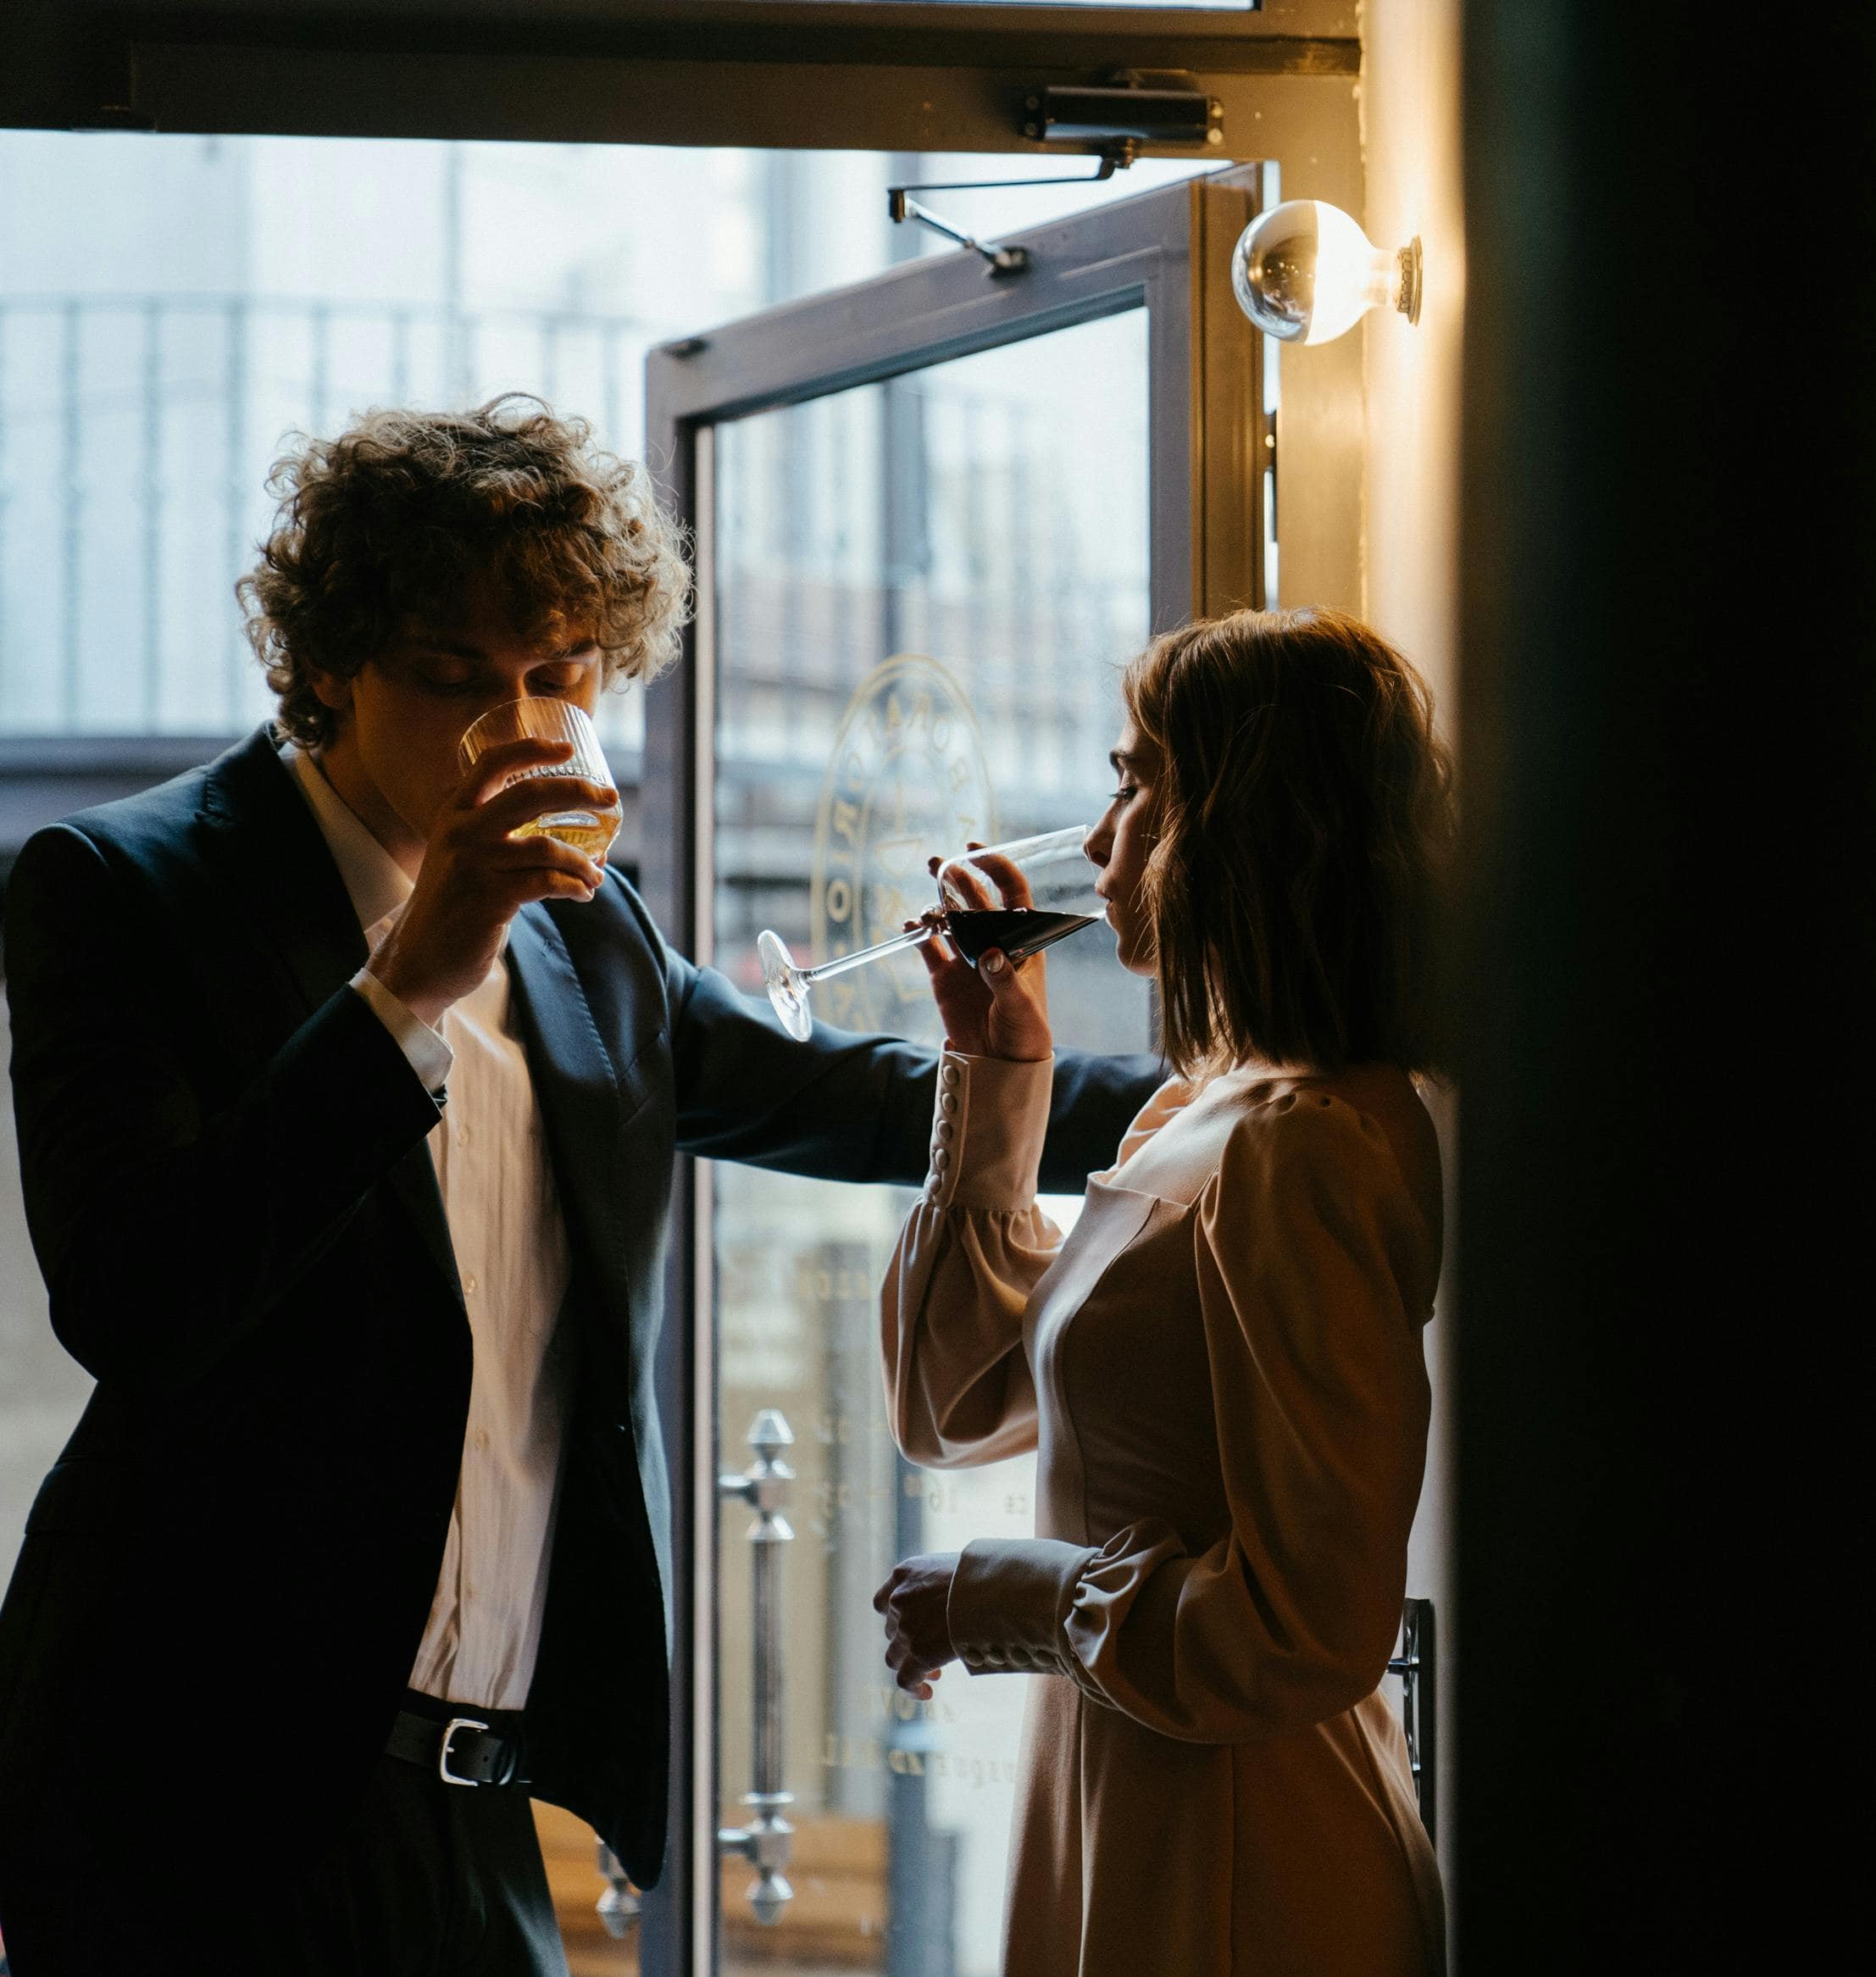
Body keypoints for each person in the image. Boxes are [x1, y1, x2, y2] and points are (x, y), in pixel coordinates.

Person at [0, 396, 1166, 1976]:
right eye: (458, 679)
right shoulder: (120, 889)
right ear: (331, 665)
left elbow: (845, 1093)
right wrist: (403, 988)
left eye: (560, 677)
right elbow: (135, 1300)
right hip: (187, 1798)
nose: (524, 729)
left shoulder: (589, 926)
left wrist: (1222, 1096)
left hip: (484, 1804)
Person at [872, 606, 1451, 1976]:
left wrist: (999, 1597)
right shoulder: (1199, 1111)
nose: (1095, 837)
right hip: (1130, 1787)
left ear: (1240, 822)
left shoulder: (1309, 1141)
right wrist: (998, 1074)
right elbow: (954, 1405)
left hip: (1244, 1847)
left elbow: (1309, 1628)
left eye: (1138, 782)